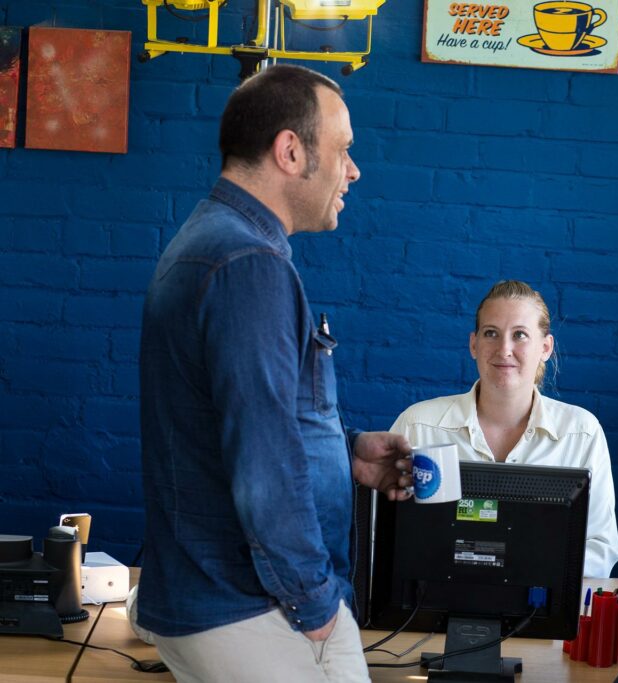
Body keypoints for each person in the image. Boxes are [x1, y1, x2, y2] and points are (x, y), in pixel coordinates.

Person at [137, 64, 412, 683]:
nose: (353, 170)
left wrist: (348, 456)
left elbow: (229, 422)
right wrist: (315, 605)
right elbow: (262, 457)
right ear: (291, 150)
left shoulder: (211, 242)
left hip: (216, 604)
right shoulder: (246, 263)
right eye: (343, 151)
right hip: (254, 610)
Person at [390, 280, 618, 578]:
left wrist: (511, 561)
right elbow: (376, 532)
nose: (504, 349)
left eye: (520, 335)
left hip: (539, 611)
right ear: (474, 344)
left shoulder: (581, 433)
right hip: (432, 601)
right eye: (491, 334)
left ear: (545, 348)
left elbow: (601, 550)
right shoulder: (418, 425)